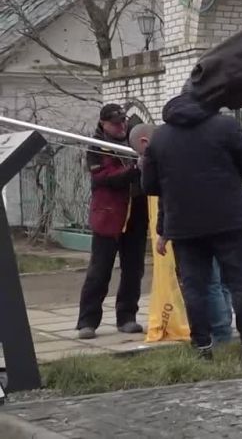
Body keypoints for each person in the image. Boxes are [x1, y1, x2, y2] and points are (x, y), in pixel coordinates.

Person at [140, 89, 242, 362]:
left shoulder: (159, 138)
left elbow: (149, 186)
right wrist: (228, 175)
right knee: (241, 285)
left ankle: (203, 349)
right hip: (228, 220)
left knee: (195, 288)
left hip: (185, 226)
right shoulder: (225, 126)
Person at [130, 124, 233, 344]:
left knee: (209, 283)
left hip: (195, 224)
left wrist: (164, 232)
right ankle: (225, 328)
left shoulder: (166, 151)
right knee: (223, 281)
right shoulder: (207, 140)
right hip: (224, 218)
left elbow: (164, 195)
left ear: (145, 143)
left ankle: (221, 334)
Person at [76, 103, 148, 339]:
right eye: (116, 123)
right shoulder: (96, 147)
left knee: (133, 269)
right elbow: (103, 178)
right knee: (99, 271)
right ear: (104, 123)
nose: (121, 126)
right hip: (109, 215)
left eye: (123, 122)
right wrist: (133, 170)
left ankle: (127, 317)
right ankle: (87, 322)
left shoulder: (135, 140)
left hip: (136, 212)